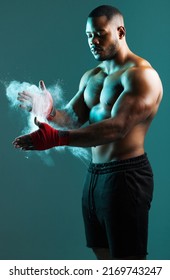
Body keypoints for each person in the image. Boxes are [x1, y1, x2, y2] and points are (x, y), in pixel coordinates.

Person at [13, 5, 163, 260]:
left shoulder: (142, 76)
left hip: (126, 176)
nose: (92, 41)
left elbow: (117, 127)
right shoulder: (92, 76)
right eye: (88, 36)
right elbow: (71, 119)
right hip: (95, 176)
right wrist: (49, 112)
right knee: (102, 258)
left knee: (128, 263)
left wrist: (57, 139)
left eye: (99, 34)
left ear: (120, 31)